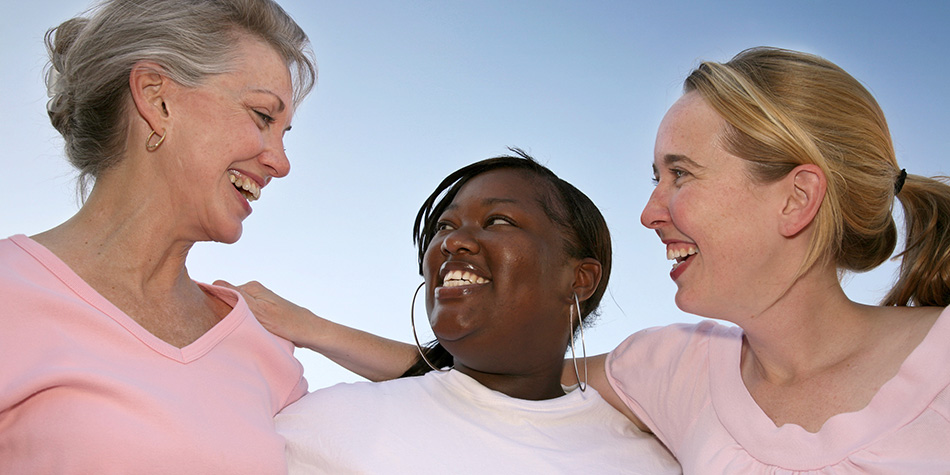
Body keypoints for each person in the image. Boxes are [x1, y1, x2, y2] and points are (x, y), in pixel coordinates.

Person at [588, 47, 950, 472]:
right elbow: (515, 371)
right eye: (658, 178)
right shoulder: (677, 370)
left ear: (796, 198)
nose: (649, 214)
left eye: (680, 174)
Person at [0, 0, 316, 472]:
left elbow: (454, 400)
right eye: (262, 117)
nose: (281, 162)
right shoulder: (10, 291)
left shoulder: (265, 346)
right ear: (156, 97)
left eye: (284, 132)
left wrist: (321, 331)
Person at [238, 151, 680, 473]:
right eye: (445, 226)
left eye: (499, 221)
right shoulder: (329, 424)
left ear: (578, 279)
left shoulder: (656, 456)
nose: (452, 241)